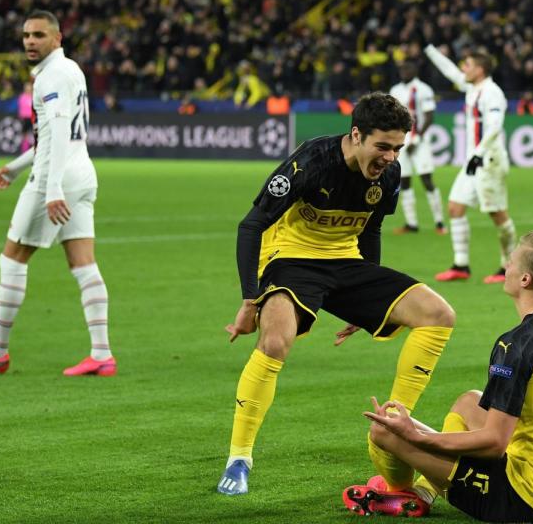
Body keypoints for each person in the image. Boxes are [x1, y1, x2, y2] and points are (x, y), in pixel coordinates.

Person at [216, 92, 456, 496]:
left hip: (345, 261)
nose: (391, 157)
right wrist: (249, 300)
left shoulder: (389, 174)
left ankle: (393, 422)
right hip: (290, 260)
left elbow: (372, 229)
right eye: (383, 146)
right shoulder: (309, 163)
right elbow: (250, 226)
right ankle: (239, 458)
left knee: (439, 314)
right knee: (275, 341)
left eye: (398, 148)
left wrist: (370, 303)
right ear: (357, 134)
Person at [343, 230, 533, 521]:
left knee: (383, 431)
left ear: (525, 279)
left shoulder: (516, 344)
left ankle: (403, 493)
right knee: (469, 402)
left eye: (511, 262)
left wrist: (418, 437)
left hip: (525, 501)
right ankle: (427, 488)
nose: (507, 267)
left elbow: (493, 444)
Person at [0, 11, 113, 377]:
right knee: (84, 264)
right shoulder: (71, 70)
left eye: (39, 35)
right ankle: (101, 354)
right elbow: (60, 135)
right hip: (82, 172)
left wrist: (51, 188)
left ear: (58, 37)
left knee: (13, 258)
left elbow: (55, 131)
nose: (30, 42)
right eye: (26, 35)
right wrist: (15, 166)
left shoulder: (51, 76)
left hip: (55, 180)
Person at [424, 46, 517, 284]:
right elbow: (450, 71)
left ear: (480, 69)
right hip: (473, 161)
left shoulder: (491, 93)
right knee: (455, 207)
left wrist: (479, 153)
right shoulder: (472, 88)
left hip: (488, 161)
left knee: (498, 215)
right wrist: (430, 50)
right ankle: (461, 265)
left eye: (467, 65)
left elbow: (495, 126)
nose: (463, 69)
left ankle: (510, 267)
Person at [389, 60, 447, 235]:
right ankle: (411, 223)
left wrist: (417, 138)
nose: (404, 71)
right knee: (404, 180)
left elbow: (429, 116)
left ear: (415, 70)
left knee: (426, 179)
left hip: (420, 141)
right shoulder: (395, 91)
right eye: (402, 68)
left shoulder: (424, 89)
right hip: (401, 141)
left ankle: (439, 223)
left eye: (408, 68)